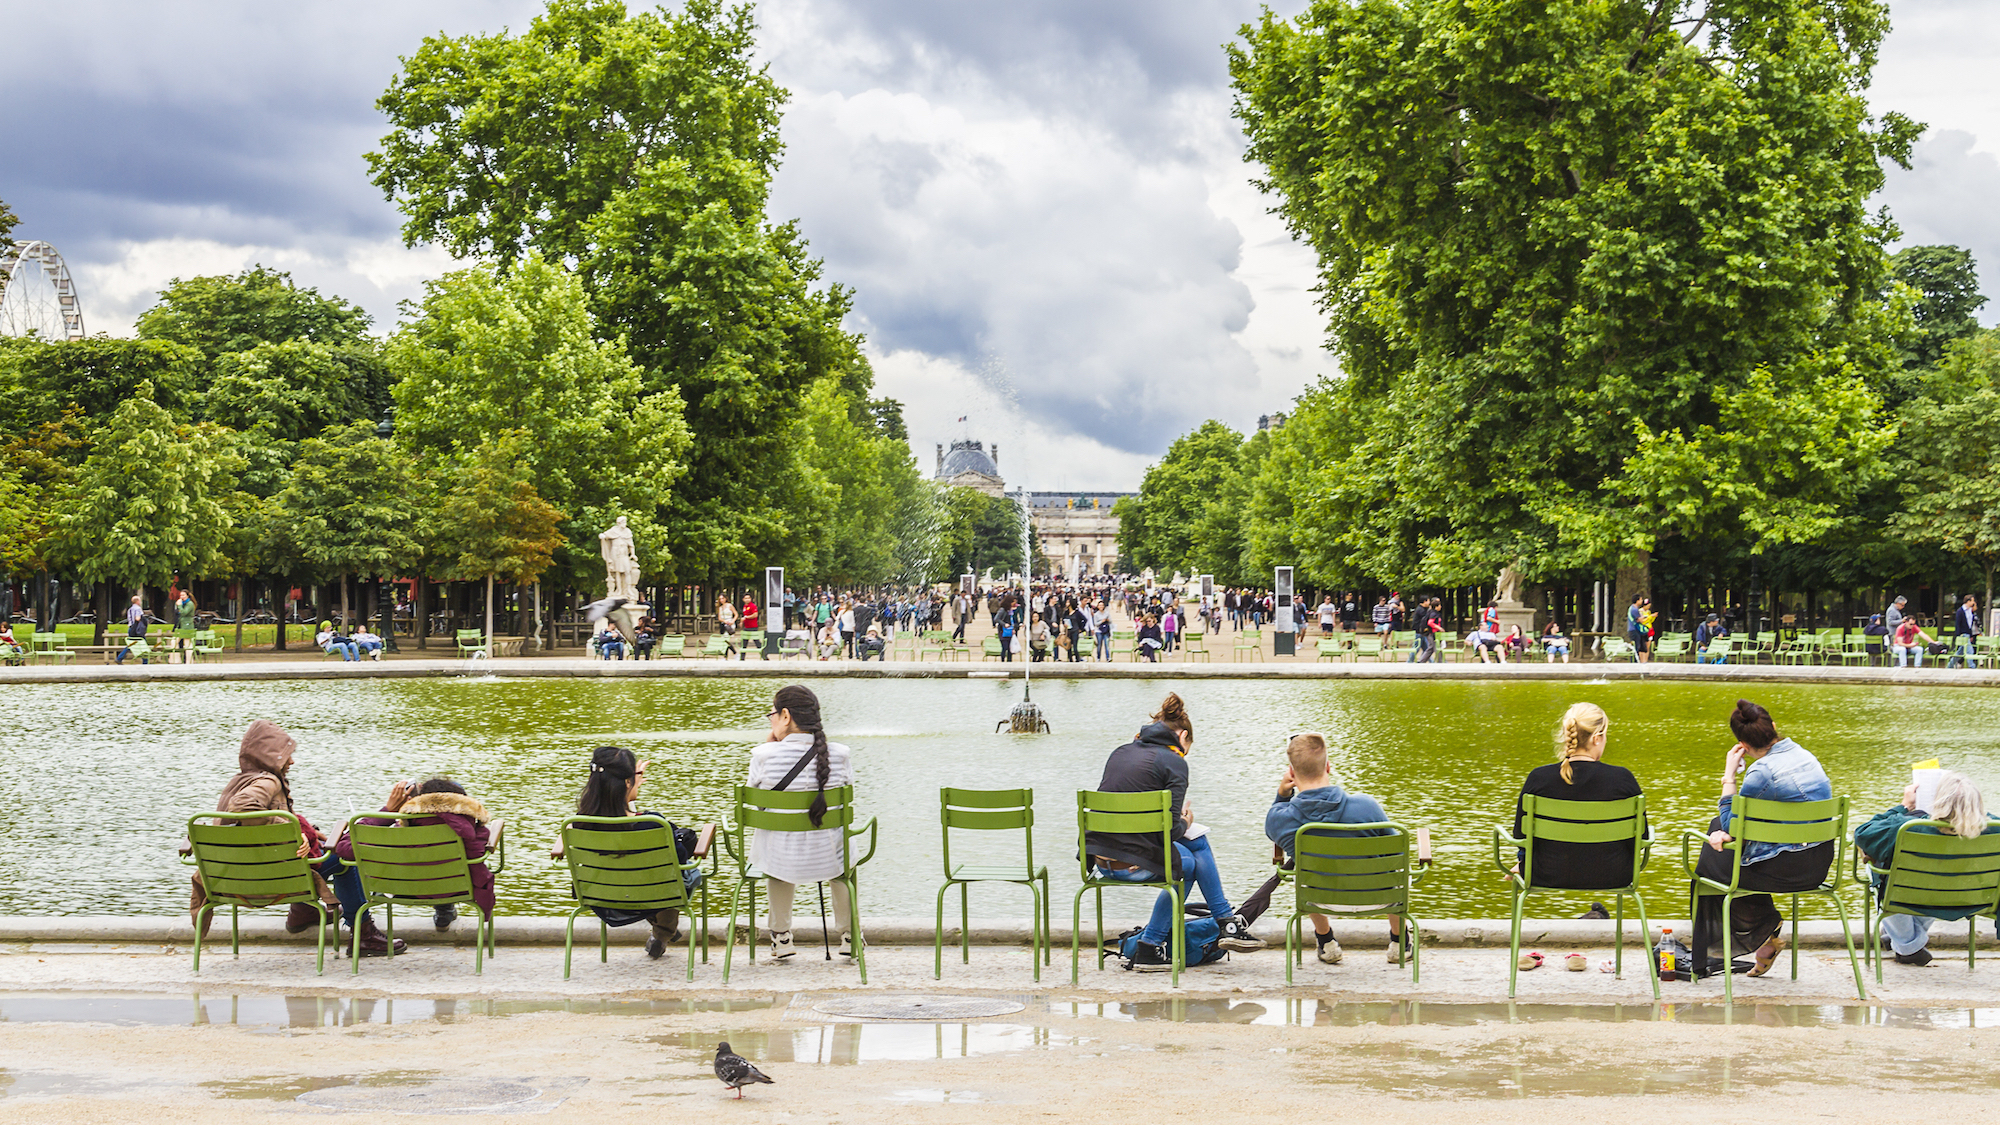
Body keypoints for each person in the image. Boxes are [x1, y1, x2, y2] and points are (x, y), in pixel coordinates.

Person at [191, 719, 405, 956]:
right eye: (285, 756)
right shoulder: (268, 781)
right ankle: (363, 935)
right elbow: (242, 807)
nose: (291, 761)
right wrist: (291, 830)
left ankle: (303, 913)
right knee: (343, 858)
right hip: (273, 880)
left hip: (233, 879)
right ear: (269, 757)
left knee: (319, 848)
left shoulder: (237, 783)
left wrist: (307, 832)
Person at [1088, 693, 1263, 969]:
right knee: (1190, 860)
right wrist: (1186, 823)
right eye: (1187, 748)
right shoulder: (1174, 762)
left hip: (1101, 859)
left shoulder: (1119, 752)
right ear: (1182, 737)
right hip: (1132, 864)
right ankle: (1221, 925)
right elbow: (1170, 830)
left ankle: (1216, 927)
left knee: (1195, 848)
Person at [1690, 700, 1834, 978]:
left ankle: (1712, 954)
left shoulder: (1761, 773)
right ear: (1774, 727)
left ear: (1743, 745)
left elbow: (1733, 826)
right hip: (1817, 865)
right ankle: (1763, 934)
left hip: (1785, 871)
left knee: (1709, 864)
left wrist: (1729, 776)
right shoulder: (1806, 756)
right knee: (1721, 838)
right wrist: (1725, 831)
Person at [1266, 732, 1403, 965]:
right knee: (1394, 868)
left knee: (1303, 874)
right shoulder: (1367, 806)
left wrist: (1282, 797)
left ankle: (1326, 942)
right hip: (1379, 897)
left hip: (1319, 899)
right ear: (1328, 766)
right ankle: (1400, 943)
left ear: (1291, 773)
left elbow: (1273, 825)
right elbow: (1397, 855)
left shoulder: (1281, 819)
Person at [747, 685, 859, 960]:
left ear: (785, 716)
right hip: (830, 856)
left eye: (772, 715)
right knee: (842, 846)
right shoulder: (840, 754)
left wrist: (770, 746)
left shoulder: (763, 755)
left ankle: (781, 937)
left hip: (780, 859)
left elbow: (759, 806)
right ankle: (849, 935)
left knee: (777, 842)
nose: (771, 720)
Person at [1854, 772, 2000, 965]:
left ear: (1937, 801)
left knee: (1877, 867)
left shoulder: (1907, 828)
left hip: (1912, 898)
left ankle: (1907, 945)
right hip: (1969, 901)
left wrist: (1904, 806)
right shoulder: (1995, 830)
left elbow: (1862, 834)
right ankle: (1899, 938)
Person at [570, 746, 700, 958]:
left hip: (602, 897)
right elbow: (679, 859)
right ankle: (663, 931)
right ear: (627, 782)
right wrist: (630, 793)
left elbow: (617, 820)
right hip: (656, 895)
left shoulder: (579, 824)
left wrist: (628, 791)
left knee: (655, 872)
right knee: (675, 873)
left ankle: (662, 931)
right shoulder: (653, 824)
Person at [1512, 704, 1645, 890]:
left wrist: (1525, 862)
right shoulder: (1623, 779)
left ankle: (1520, 868)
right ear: (1596, 738)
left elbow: (1520, 834)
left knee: (1526, 853)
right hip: (1614, 875)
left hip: (1546, 873)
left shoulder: (1538, 778)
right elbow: (1642, 838)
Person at [336, 776, 494, 932]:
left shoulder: (399, 833)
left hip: (401, 890)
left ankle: (443, 907)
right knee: (439, 865)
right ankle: (444, 907)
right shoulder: (472, 831)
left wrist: (388, 812)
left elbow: (344, 848)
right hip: (456, 889)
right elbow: (478, 855)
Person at [1949, 594, 1980, 668]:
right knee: (1970, 651)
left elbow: (1970, 625)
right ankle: (1972, 667)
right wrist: (1958, 635)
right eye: (1972, 601)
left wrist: (1971, 635)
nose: (1973, 602)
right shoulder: (1960, 611)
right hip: (1963, 634)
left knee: (1959, 653)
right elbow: (1958, 624)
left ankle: (1950, 665)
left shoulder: (1970, 611)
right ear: (1968, 601)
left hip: (1968, 634)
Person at [1627, 594, 1650, 664]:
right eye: (1640, 599)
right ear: (1637, 600)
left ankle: (1636, 661)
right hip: (1634, 630)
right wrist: (1645, 617)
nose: (1641, 601)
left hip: (1634, 629)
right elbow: (1641, 620)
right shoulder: (1634, 609)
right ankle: (1634, 662)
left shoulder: (1633, 608)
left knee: (1638, 646)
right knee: (1636, 647)